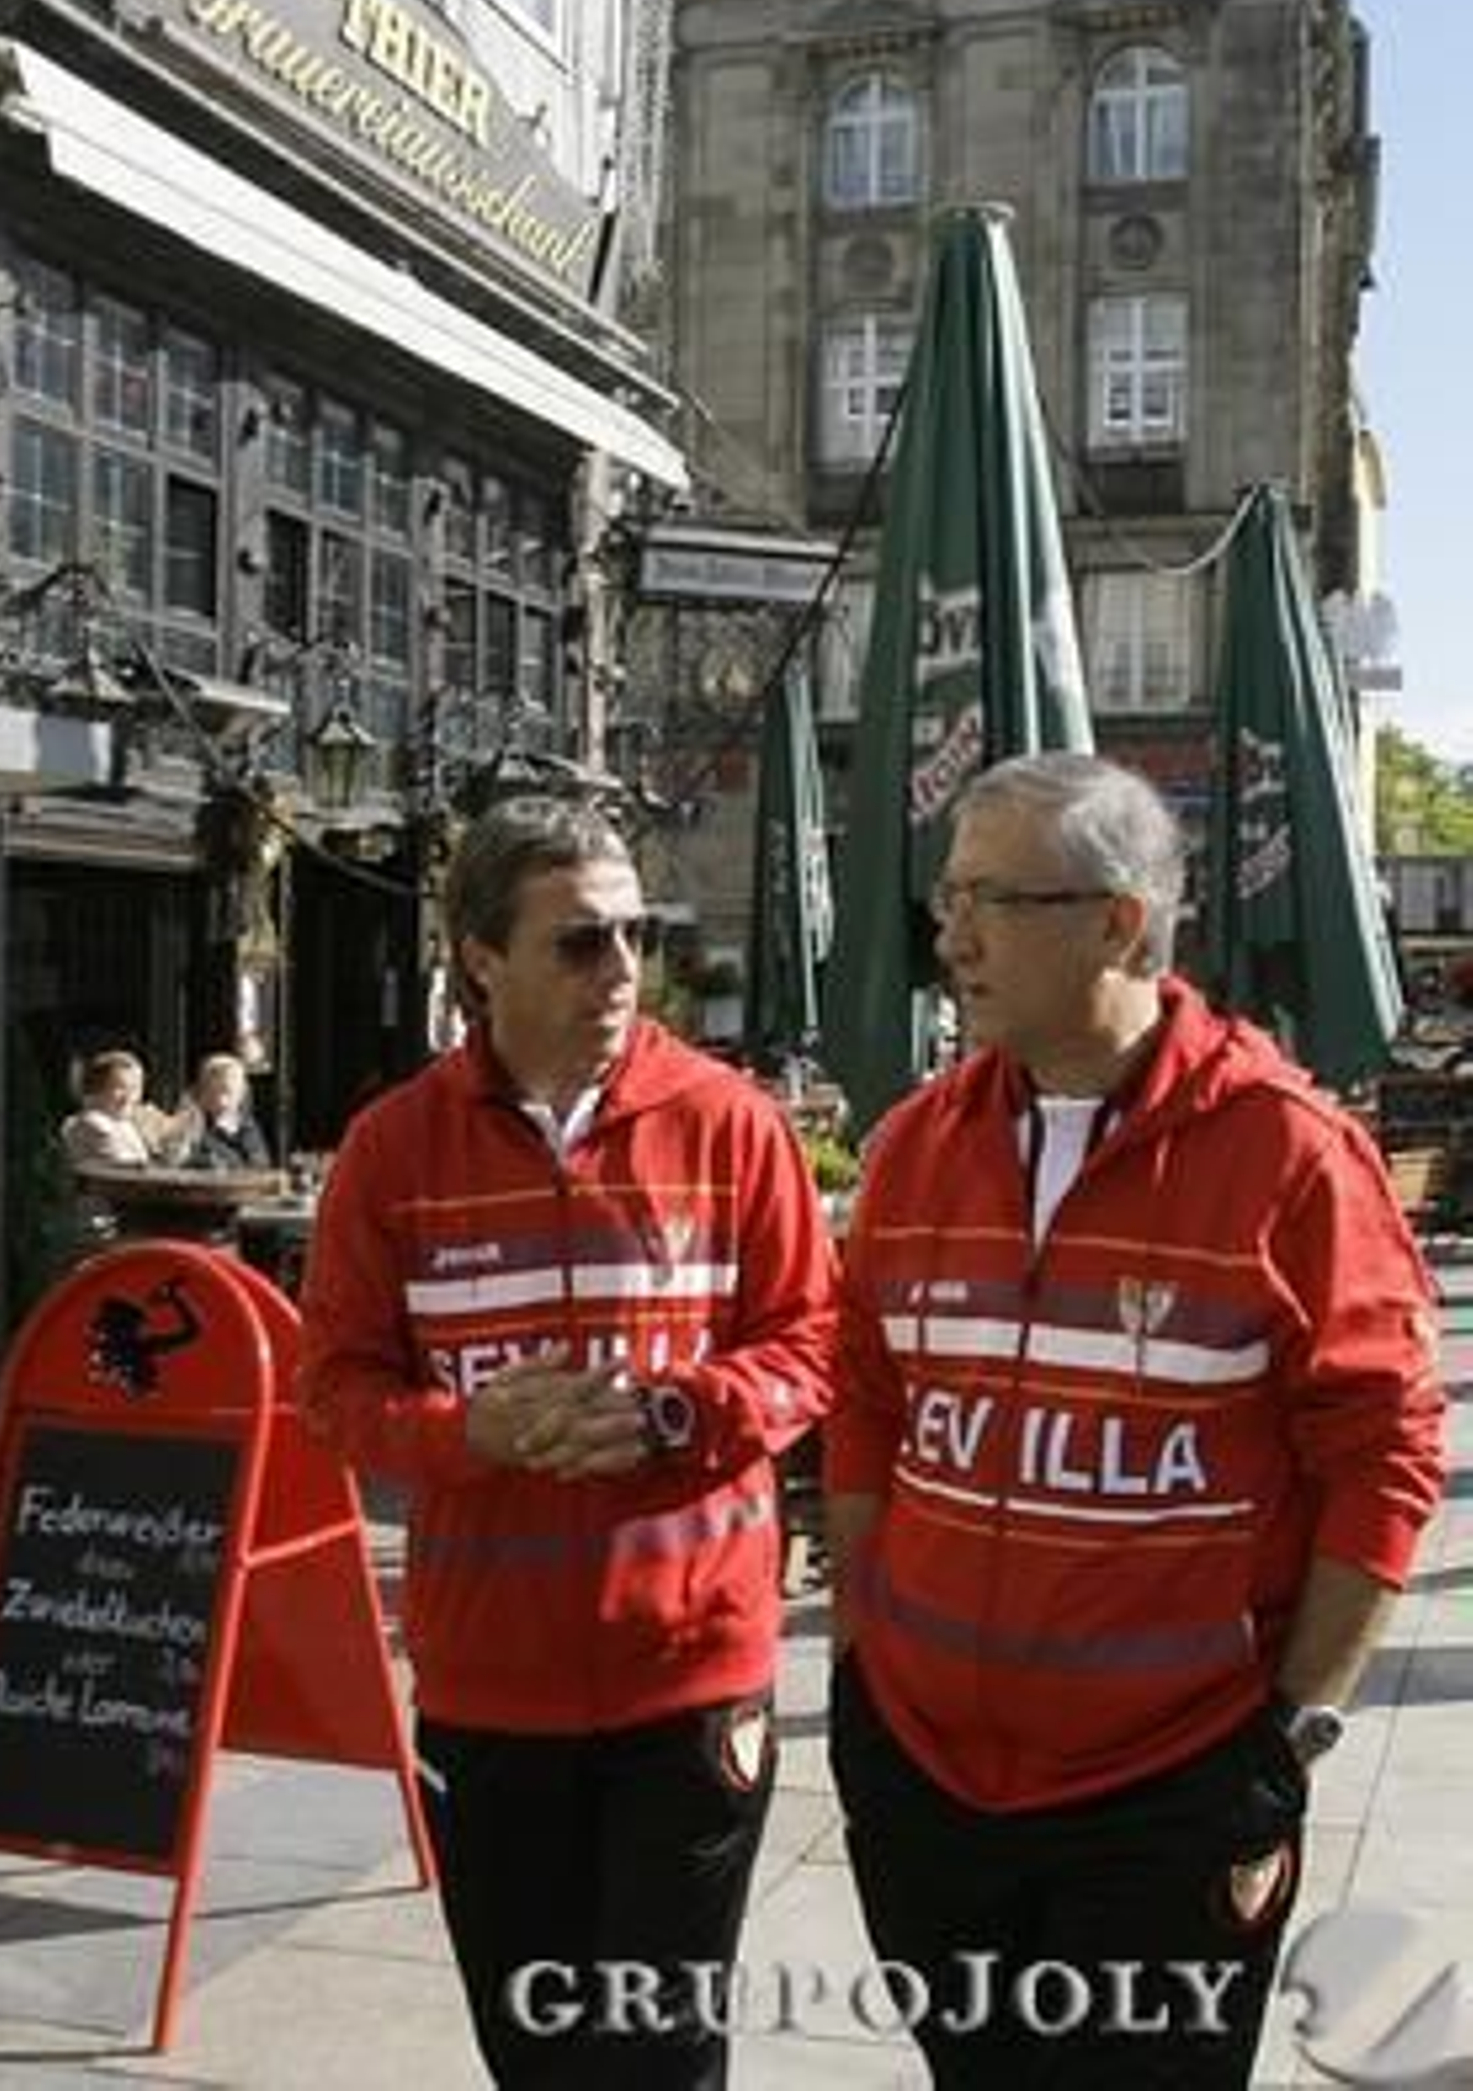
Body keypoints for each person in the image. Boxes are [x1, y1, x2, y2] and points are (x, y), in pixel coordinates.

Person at [826, 753, 1446, 2091]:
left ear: (1119, 920)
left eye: (992, 897)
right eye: (947, 897)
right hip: (926, 1773)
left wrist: (1289, 1735)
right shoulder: (919, 1141)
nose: (953, 934)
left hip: (1169, 1786)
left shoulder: (1290, 1151)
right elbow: (868, 1397)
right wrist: (864, 1652)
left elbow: (1384, 1453)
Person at [299, 796, 837, 2090]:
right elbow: (334, 1385)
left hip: (694, 1672)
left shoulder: (729, 1121)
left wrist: (679, 1411)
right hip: (490, 1682)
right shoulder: (393, 1149)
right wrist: (466, 1429)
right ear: (481, 956)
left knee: (656, 2056)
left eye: (632, 935)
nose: (622, 971)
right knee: (535, 2050)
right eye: (579, 941)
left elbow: (815, 1342)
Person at [173, 1052, 272, 1171]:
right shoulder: (193, 1124)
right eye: (213, 1092)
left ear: (241, 1095)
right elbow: (181, 1159)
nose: (221, 1101)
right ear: (202, 1093)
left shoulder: (246, 1127)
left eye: (228, 1093)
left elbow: (259, 1163)